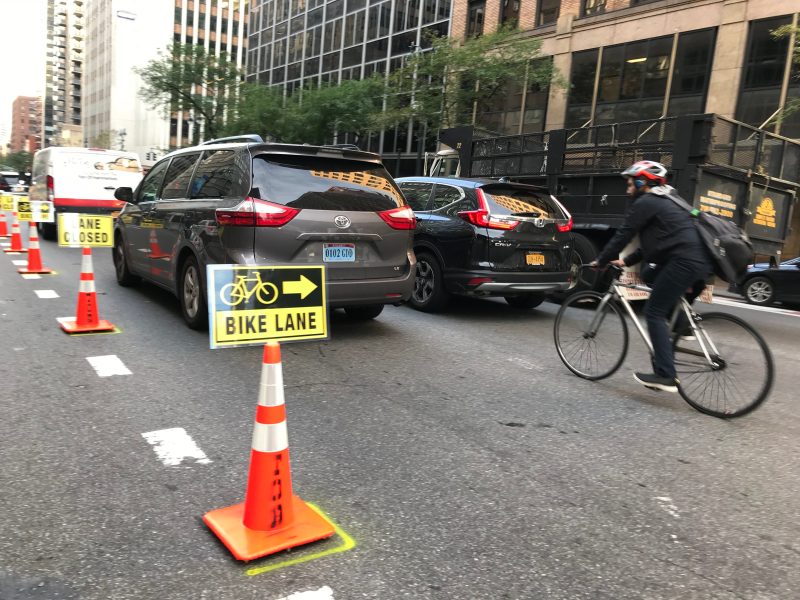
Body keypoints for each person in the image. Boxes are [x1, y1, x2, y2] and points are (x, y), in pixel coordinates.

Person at [590, 160, 713, 393]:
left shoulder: (647, 201)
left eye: (630, 183)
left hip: (684, 261)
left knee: (653, 311)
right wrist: (626, 261)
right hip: (702, 262)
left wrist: (601, 260)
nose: (627, 188)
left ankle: (666, 375)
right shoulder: (671, 200)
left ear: (641, 181)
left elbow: (624, 233)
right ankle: (682, 327)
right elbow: (659, 242)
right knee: (649, 274)